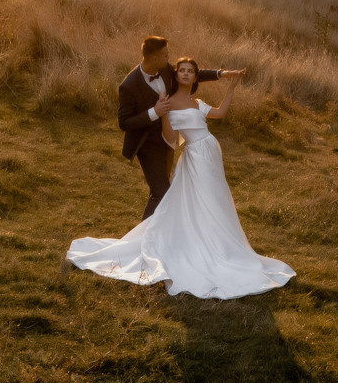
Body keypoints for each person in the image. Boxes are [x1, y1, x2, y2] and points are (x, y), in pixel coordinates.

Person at [69, 55, 295, 299]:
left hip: (211, 152)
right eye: (182, 70)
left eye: (190, 71)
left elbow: (219, 113)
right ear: (176, 75)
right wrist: (163, 112)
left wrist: (231, 86)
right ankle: (198, 247)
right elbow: (171, 138)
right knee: (200, 200)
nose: (186, 74)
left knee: (217, 200)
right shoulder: (170, 101)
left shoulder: (196, 101)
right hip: (194, 156)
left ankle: (219, 244)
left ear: (195, 77)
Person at [116, 35, 237, 220]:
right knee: (162, 192)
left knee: (161, 189)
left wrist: (220, 74)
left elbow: (192, 74)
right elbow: (124, 122)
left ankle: (161, 232)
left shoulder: (164, 69)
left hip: (168, 141)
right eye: (165, 55)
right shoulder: (129, 85)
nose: (169, 58)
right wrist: (154, 112)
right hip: (147, 145)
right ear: (154, 58)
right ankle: (145, 237)